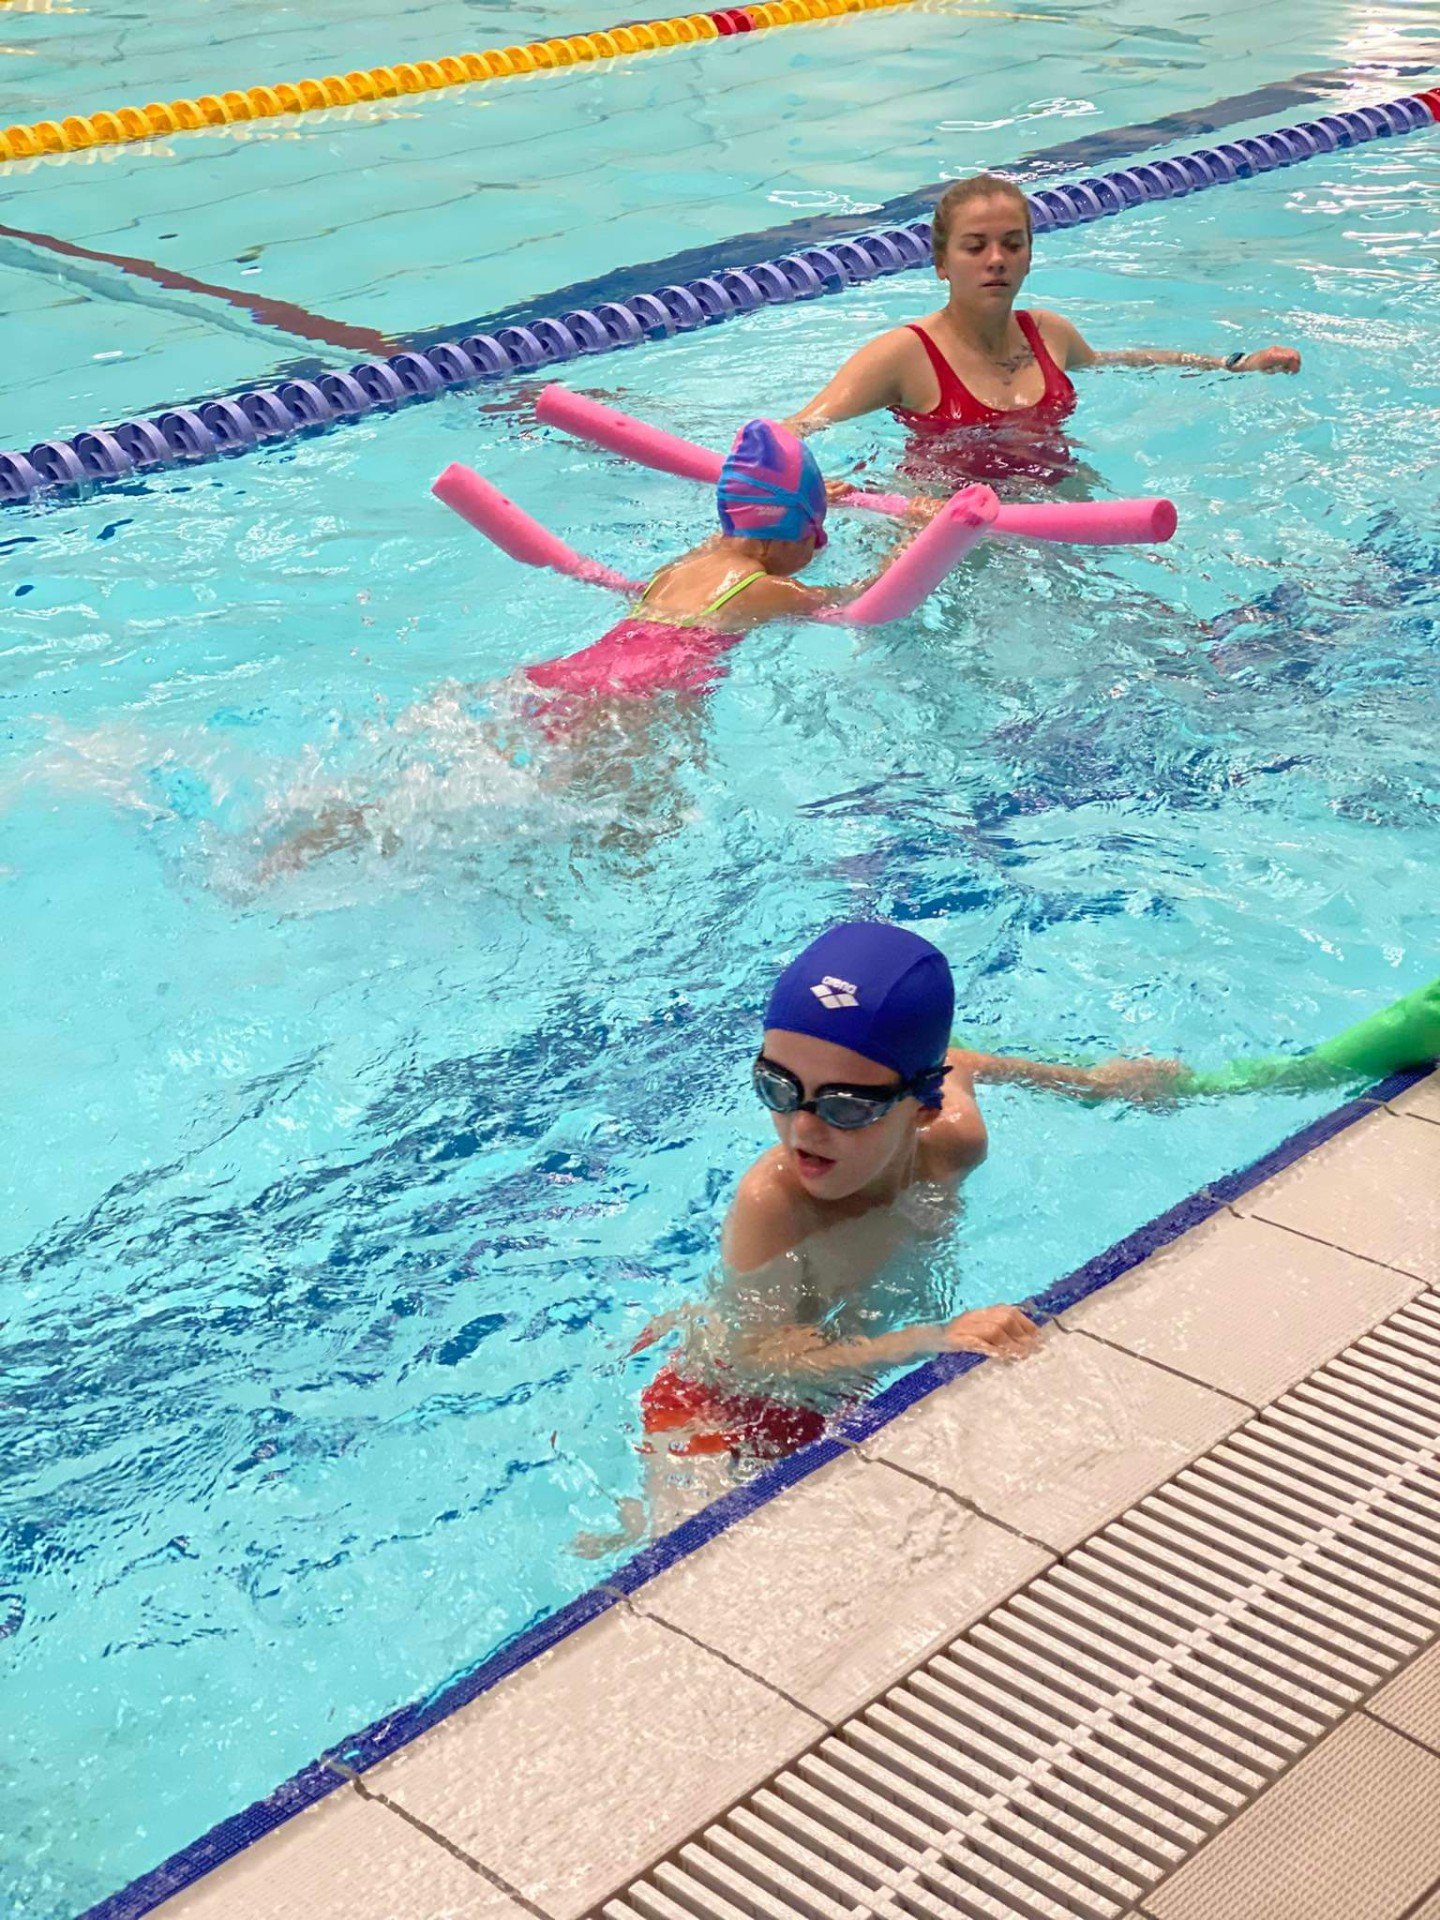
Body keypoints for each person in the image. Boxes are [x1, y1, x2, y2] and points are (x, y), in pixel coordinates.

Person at [574, 920, 1181, 1553]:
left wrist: (1098, 1084)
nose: (803, 1128)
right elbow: (755, 1361)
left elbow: (964, 1061)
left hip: (840, 1386)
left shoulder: (955, 1142)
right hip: (723, 1415)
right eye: (777, 1087)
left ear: (923, 1107)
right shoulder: (773, 1204)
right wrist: (929, 1340)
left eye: (846, 1105)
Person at [261, 422, 934, 877]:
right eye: (815, 536)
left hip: (573, 674)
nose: (815, 551)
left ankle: (321, 834)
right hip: (634, 705)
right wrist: (909, 542)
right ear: (790, 533)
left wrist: (816, 502)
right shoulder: (765, 590)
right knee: (629, 836)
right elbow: (857, 606)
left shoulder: (687, 565)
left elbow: (750, 525)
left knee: (472, 794)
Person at [783, 172, 1302, 487]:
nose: (996, 259)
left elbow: (1120, 364)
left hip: (1057, 502)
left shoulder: (1049, 333)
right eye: (975, 247)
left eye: (1012, 244)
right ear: (941, 263)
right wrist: (807, 489)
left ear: (1030, 257)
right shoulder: (904, 355)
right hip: (948, 528)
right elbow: (800, 427)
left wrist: (1233, 365)